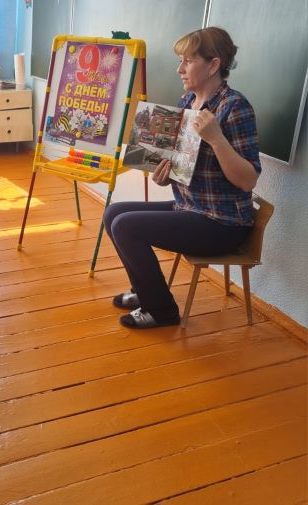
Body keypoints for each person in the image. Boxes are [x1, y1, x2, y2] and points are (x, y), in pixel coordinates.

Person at [103, 27, 261, 329]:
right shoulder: (187, 102)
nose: (179, 69)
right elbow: (183, 165)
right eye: (180, 61)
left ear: (213, 65)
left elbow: (248, 181)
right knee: (113, 213)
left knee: (126, 226)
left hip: (222, 223)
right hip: (190, 207)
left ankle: (161, 311)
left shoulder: (235, 108)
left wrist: (216, 139)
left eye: (187, 61)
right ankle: (145, 291)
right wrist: (165, 176)